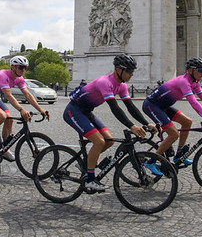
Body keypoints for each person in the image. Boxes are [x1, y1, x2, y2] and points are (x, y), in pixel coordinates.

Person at [63, 54, 155, 192]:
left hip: (87, 112)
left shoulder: (122, 86)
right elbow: (115, 108)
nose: (132, 74)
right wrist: (132, 126)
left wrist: (146, 123)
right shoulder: (105, 82)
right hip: (74, 111)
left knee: (109, 140)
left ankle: (88, 163)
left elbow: (130, 107)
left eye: (132, 71)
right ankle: (90, 179)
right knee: (99, 142)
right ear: (119, 70)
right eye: (129, 71)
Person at [141, 57, 202, 169]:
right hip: (151, 105)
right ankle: (151, 162)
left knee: (187, 122)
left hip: (163, 106)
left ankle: (179, 154)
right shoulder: (184, 82)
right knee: (174, 134)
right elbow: (194, 103)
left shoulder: (195, 82)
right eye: (200, 70)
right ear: (191, 70)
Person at [0, 55, 49, 160]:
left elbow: (27, 95)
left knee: (9, 119)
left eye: (25, 68)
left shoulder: (19, 79)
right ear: (13, 67)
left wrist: (41, 109)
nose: (23, 70)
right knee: (1, 116)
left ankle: (4, 148)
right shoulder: (2, 75)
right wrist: (21, 110)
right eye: (20, 67)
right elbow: (8, 96)